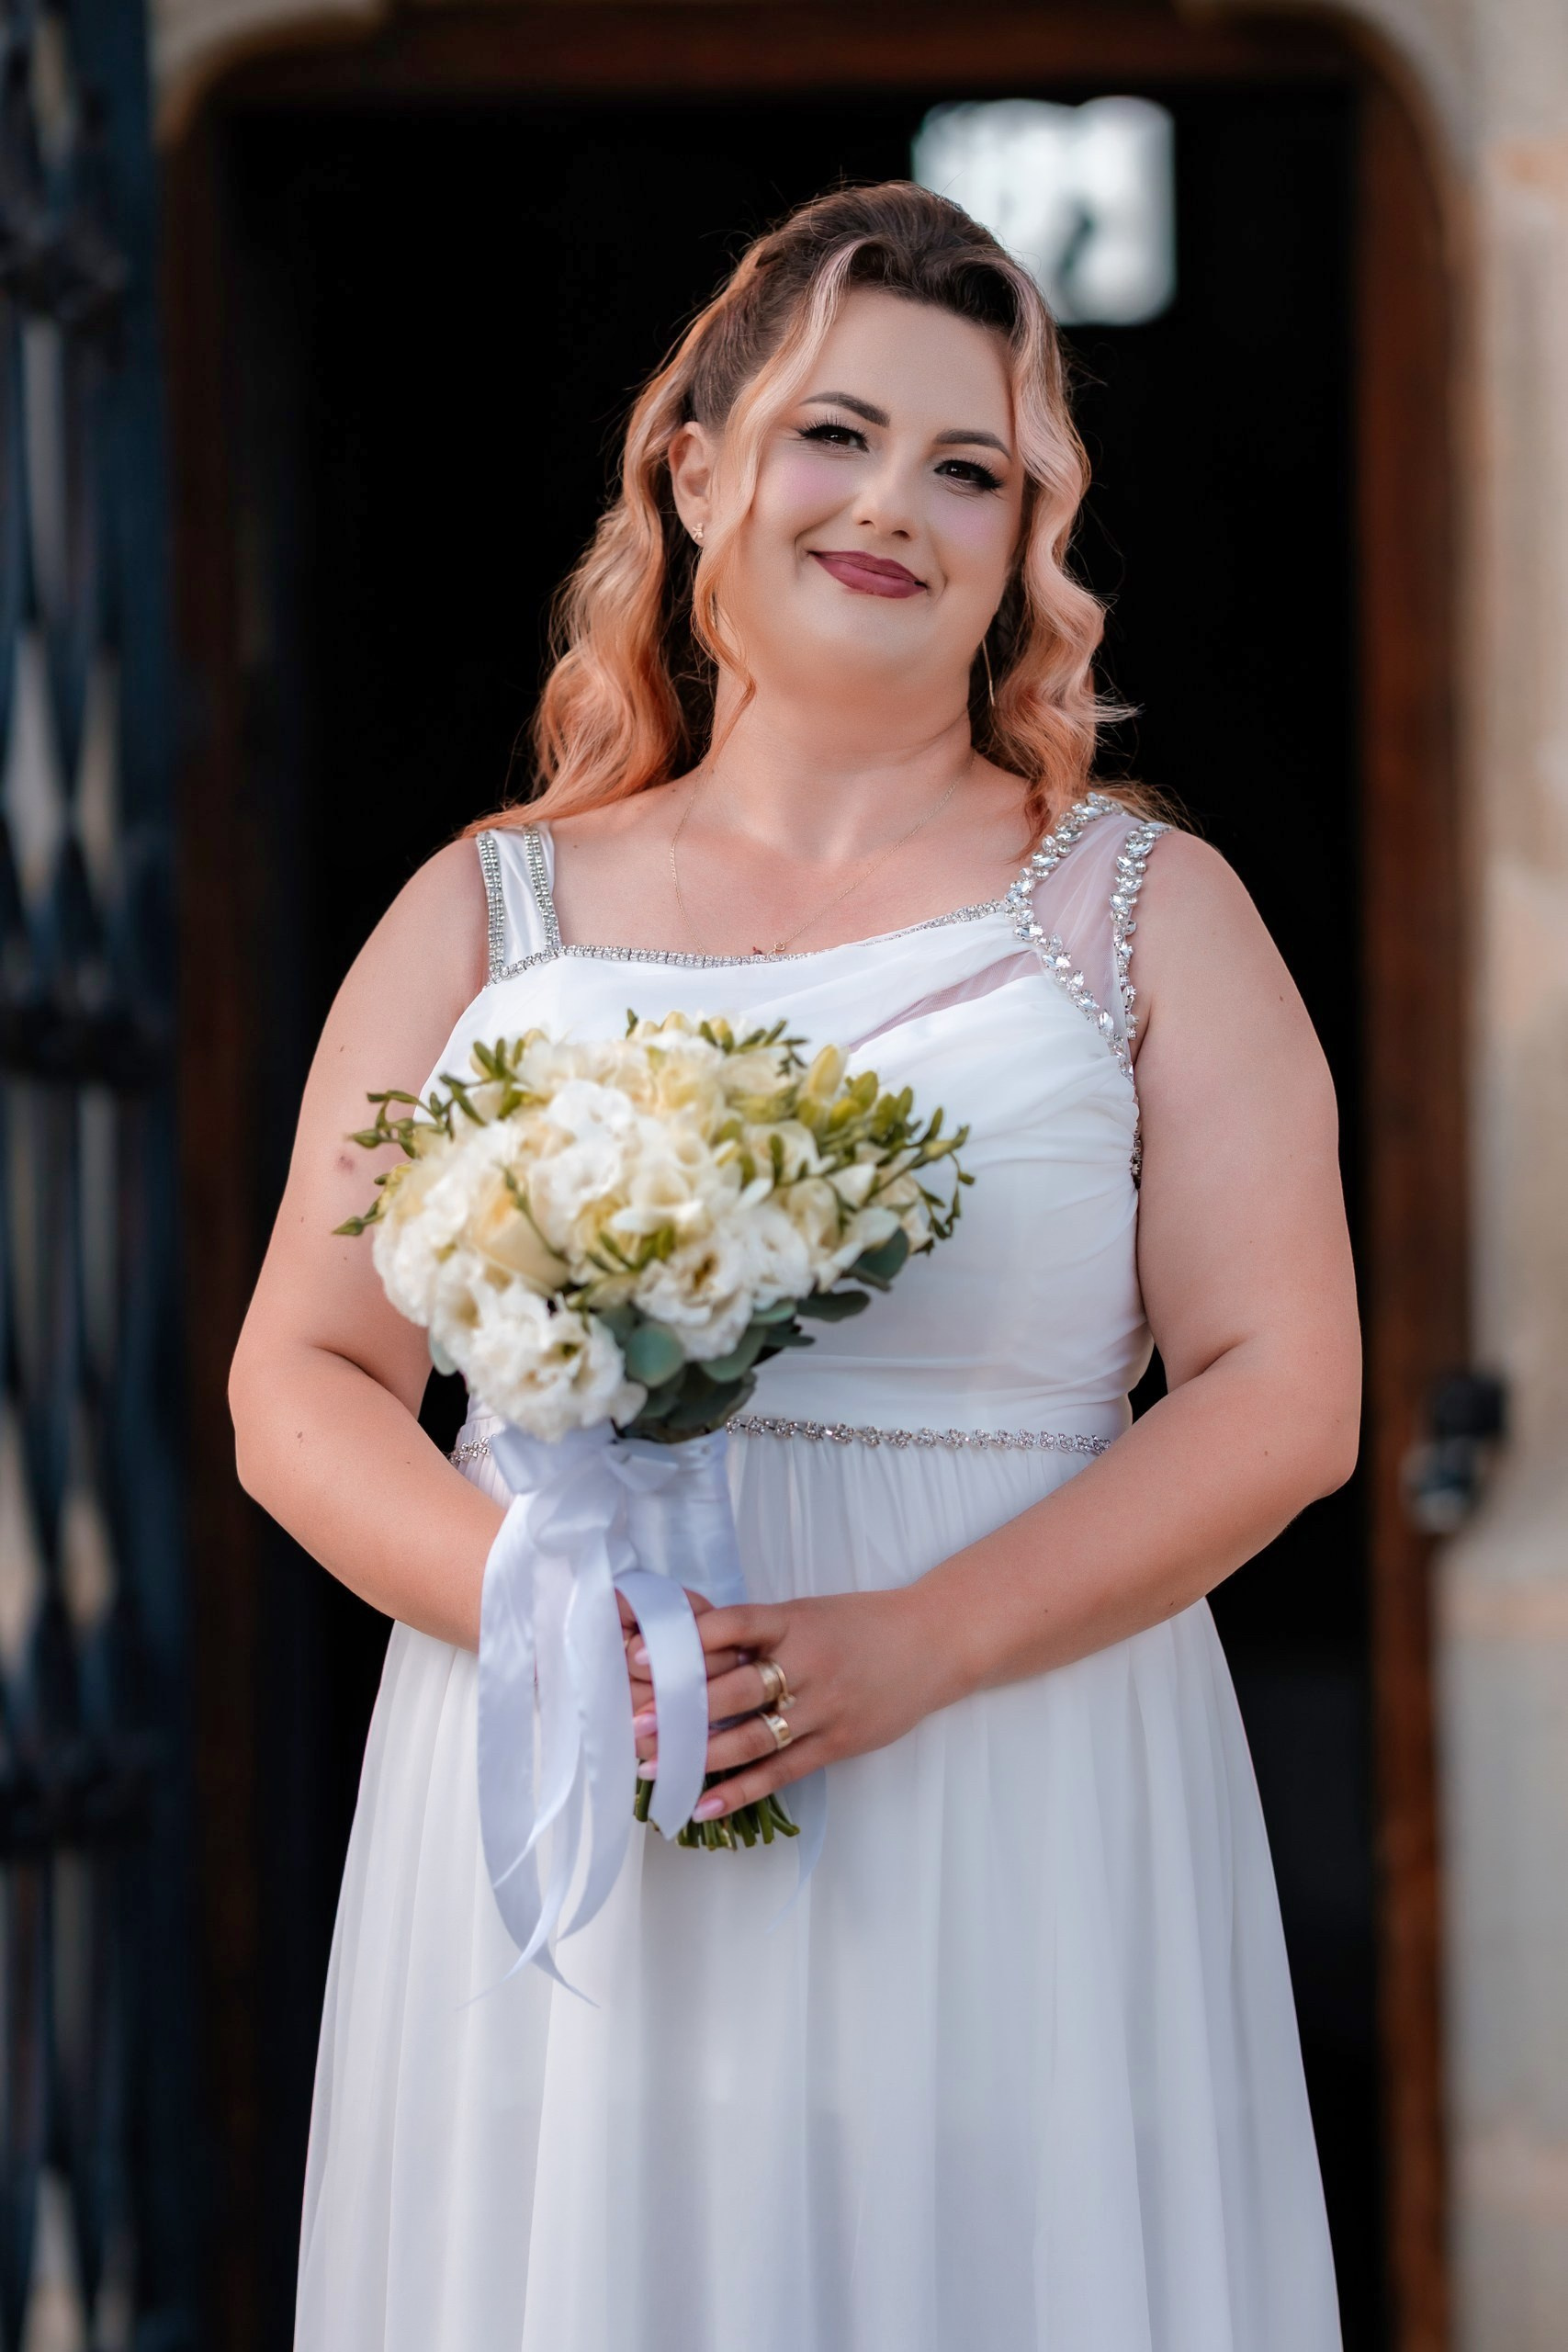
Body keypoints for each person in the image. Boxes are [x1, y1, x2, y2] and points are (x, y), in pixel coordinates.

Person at [231, 182, 1358, 2351]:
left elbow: (1278, 1391)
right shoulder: (489, 909)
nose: (893, 509)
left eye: (972, 470)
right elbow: (301, 1375)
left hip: (1008, 1779)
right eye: (837, 435)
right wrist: (558, 1629)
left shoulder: (1143, 915)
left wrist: (916, 1646)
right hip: (572, 1784)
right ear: (695, 467)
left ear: (1028, 535)